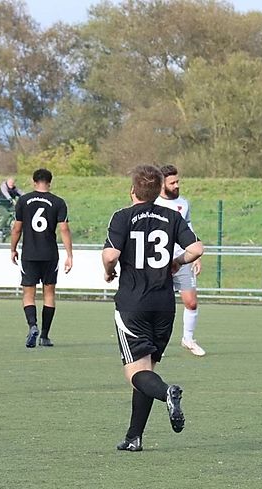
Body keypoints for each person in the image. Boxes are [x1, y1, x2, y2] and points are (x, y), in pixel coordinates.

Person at [103, 164, 204, 452]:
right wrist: (179, 261)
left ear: (133, 189)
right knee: (148, 370)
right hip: (163, 305)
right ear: (159, 189)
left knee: (135, 373)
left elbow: (111, 255)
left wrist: (109, 270)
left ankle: (167, 392)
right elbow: (197, 248)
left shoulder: (122, 216)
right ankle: (134, 437)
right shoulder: (172, 216)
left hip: (133, 304)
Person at [10, 169, 73, 347]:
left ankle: (32, 325)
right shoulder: (58, 202)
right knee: (49, 294)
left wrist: (13, 249)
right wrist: (70, 255)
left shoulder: (23, 201)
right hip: (50, 255)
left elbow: (16, 229)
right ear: (50, 182)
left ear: (33, 181)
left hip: (29, 254)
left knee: (28, 294)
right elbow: (64, 230)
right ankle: (44, 336)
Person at [155, 164, 206, 356]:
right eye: (172, 182)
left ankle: (188, 339)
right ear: (162, 184)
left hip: (182, 258)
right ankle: (155, 341)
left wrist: (196, 256)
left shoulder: (183, 203)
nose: (177, 185)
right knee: (159, 302)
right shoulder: (154, 204)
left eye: (178, 181)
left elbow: (188, 228)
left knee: (191, 302)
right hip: (159, 261)